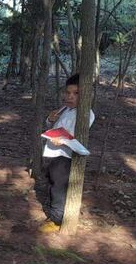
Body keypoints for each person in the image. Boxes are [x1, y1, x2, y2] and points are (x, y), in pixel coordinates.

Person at [39, 74, 95, 233]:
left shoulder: (86, 113)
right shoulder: (65, 109)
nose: (70, 97)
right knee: (52, 183)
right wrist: (50, 120)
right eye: (68, 93)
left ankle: (57, 220)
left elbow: (74, 135)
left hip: (65, 157)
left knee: (59, 187)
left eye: (76, 94)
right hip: (52, 153)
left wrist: (62, 140)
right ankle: (54, 214)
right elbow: (54, 126)